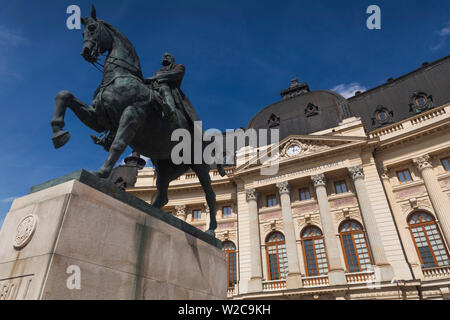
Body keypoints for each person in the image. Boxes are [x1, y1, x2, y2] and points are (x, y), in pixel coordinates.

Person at [144, 53, 199, 127]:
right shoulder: (159, 70)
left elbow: (176, 74)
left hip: (172, 91)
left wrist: (155, 77)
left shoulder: (179, 66)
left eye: (167, 56)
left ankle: (170, 110)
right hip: (155, 88)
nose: (165, 57)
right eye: (163, 57)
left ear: (172, 59)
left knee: (164, 88)